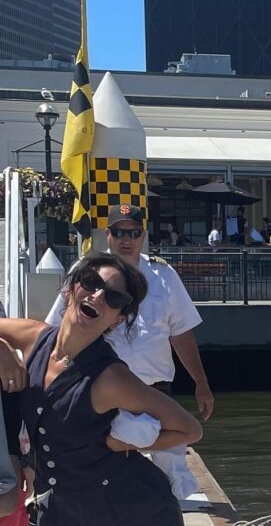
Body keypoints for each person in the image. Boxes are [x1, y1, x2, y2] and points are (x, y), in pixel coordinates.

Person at [0, 252, 201, 525]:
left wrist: (121, 443)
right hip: (60, 508)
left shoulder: (111, 378)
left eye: (114, 297)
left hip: (130, 511)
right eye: (91, 281)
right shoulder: (33, 337)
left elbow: (190, 429)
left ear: (118, 319)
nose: (97, 295)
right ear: (71, 288)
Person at [46, 205, 214, 497]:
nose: (127, 239)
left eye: (133, 232)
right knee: (99, 463)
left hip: (154, 389)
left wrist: (201, 383)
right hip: (100, 389)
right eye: (119, 232)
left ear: (143, 235)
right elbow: (55, 328)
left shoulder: (164, 275)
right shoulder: (87, 273)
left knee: (172, 467)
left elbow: (182, 333)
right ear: (108, 236)